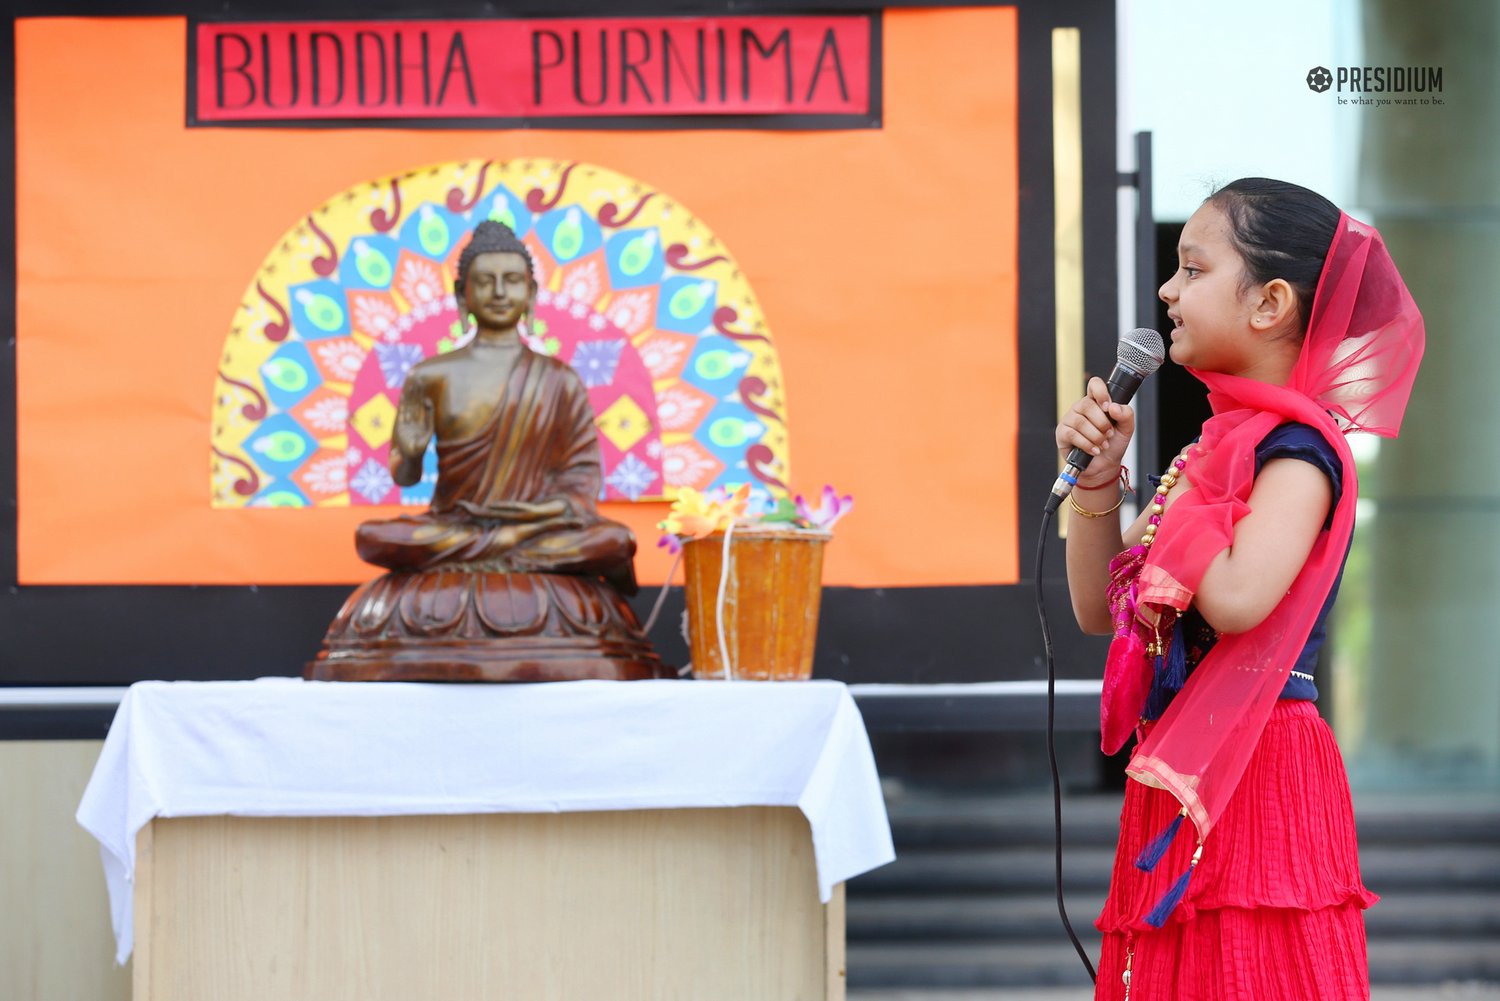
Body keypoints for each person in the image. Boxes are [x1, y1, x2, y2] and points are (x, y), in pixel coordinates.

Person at [1055, 178, 1424, 999]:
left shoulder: (1298, 452)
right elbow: (1095, 607)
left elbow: (1235, 597)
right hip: (1184, 760)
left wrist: (1178, 504)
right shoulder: (1215, 447)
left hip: (1260, 766)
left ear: (1271, 304)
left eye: (1192, 269)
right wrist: (1102, 483)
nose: (1167, 290)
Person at [354, 220, 639, 596]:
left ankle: (498, 551)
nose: (500, 292)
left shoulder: (560, 379)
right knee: (372, 537)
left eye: (512, 280)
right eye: (485, 281)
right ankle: (512, 554)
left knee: (616, 539)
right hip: (457, 525)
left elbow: (581, 479)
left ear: (531, 291)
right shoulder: (430, 375)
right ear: (463, 293)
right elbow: (405, 477)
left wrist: (533, 516)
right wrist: (409, 453)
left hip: (533, 527)